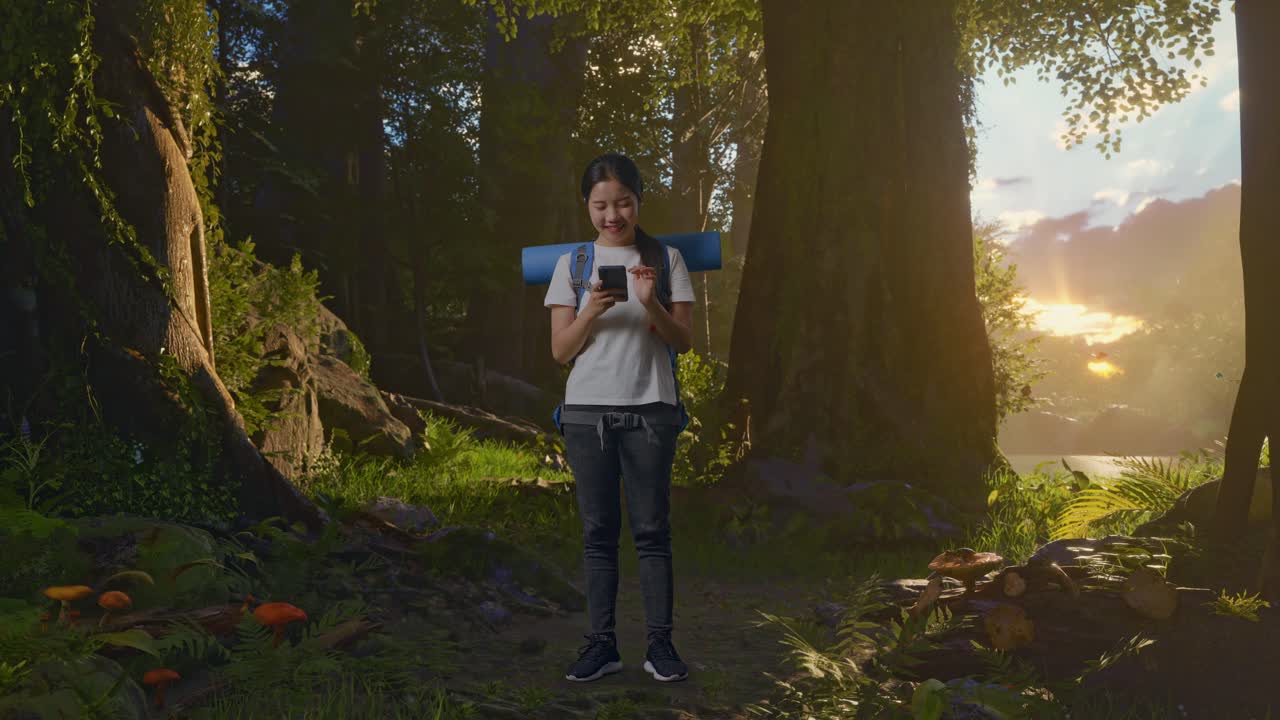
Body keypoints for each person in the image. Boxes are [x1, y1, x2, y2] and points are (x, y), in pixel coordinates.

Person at [544, 152, 695, 683]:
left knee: (652, 532)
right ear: (587, 206)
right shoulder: (573, 265)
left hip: (652, 409)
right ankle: (601, 646)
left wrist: (650, 303)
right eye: (600, 205)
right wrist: (590, 310)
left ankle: (660, 646)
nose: (613, 215)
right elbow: (561, 352)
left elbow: (684, 342)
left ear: (638, 201)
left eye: (623, 203)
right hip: (587, 413)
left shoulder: (666, 259)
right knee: (598, 534)